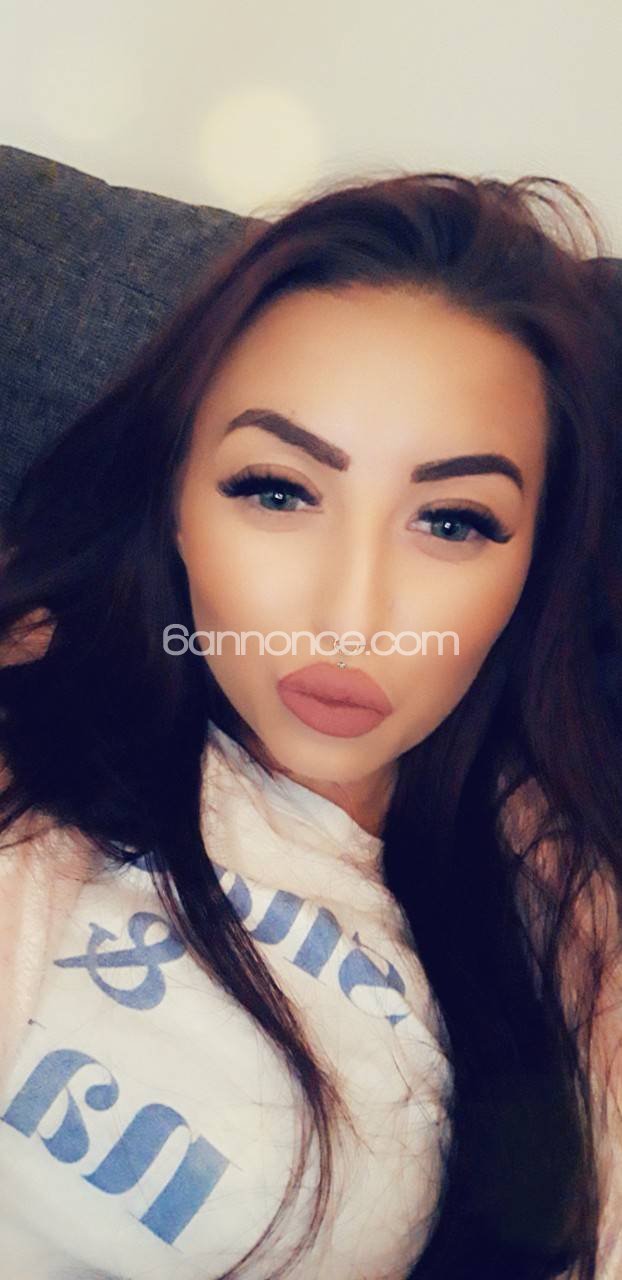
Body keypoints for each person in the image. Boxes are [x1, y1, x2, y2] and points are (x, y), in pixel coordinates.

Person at [0, 170, 620, 1280]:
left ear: (536, 562)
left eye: (452, 519)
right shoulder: (32, 718)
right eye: (278, 490)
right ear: (174, 499)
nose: (350, 617)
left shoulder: (559, 957)